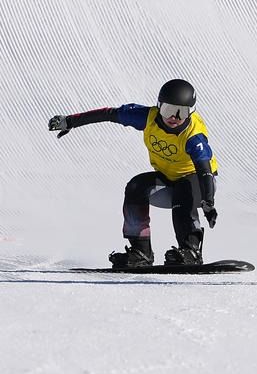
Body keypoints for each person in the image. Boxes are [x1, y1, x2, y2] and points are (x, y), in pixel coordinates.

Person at [48, 79, 219, 267]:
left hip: (199, 183)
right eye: (168, 110)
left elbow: (204, 171)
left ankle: (191, 251)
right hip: (168, 179)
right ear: (159, 107)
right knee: (136, 187)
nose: (174, 117)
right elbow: (109, 114)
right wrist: (70, 121)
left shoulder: (194, 137)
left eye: (182, 112)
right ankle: (141, 252)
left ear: (191, 112)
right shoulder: (146, 117)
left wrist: (208, 202)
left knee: (183, 189)